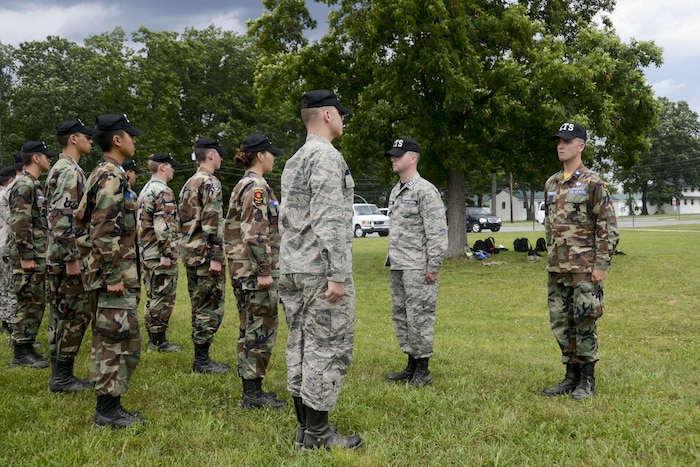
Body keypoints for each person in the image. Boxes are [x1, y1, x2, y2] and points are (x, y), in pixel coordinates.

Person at [279, 89, 362, 450]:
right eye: (340, 113)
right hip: (318, 269)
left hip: (293, 266)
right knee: (326, 347)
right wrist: (337, 273)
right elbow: (329, 218)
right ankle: (318, 434)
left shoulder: (295, 159)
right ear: (327, 115)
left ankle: (303, 427)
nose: (343, 119)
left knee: (299, 342)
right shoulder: (326, 157)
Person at [75, 113, 144, 427]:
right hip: (111, 276)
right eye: (130, 135)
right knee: (114, 342)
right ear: (117, 139)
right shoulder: (111, 176)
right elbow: (102, 231)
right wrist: (113, 276)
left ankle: (111, 405)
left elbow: (82, 225)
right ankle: (107, 410)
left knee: (118, 339)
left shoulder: (106, 173)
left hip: (109, 272)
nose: (134, 140)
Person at [542, 122, 619, 400]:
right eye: (558, 141)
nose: (560, 145)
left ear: (581, 145)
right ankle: (570, 375)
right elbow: (550, 225)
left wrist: (601, 264)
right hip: (557, 266)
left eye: (567, 140)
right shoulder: (551, 183)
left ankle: (588, 379)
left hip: (584, 266)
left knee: (584, 319)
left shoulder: (593, 183)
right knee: (561, 322)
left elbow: (607, 225)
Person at [224, 134, 285, 409]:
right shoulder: (256, 187)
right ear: (260, 155)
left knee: (251, 327)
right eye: (270, 153)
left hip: (244, 270)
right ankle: (252, 395)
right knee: (259, 330)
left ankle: (253, 390)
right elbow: (254, 233)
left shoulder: (246, 184)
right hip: (254, 273)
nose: (273, 157)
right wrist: (264, 270)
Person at [383, 137, 447, 389]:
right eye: (392, 155)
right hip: (399, 264)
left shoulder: (425, 191)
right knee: (402, 316)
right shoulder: (396, 190)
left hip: (418, 267)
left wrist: (433, 266)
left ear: (413, 158)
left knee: (420, 317)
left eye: (398, 155)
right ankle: (411, 362)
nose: (393, 158)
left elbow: (437, 232)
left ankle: (423, 370)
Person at [45, 119, 94, 392]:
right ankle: (62, 376)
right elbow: (62, 217)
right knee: (75, 315)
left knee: (61, 314)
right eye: (85, 135)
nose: (90, 139)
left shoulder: (64, 169)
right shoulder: (69, 172)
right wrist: (72, 257)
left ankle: (59, 374)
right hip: (67, 258)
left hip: (58, 255)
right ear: (73, 139)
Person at [179, 137, 229, 373]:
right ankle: (201, 360)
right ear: (211, 155)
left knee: (198, 305)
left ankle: (201, 358)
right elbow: (212, 223)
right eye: (219, 154)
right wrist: (217, 257)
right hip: (206, 256)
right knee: (210, 307)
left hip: (191, 253)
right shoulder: (211, 183)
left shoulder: (189, 183)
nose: (221, 159)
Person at [8, 141, 55, 369]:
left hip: (37, 254)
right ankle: (19, 352)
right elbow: (20, 222)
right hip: (28, 256)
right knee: (28, 301)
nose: (50, 159)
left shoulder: (33, 184)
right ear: (35, 158)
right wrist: (26, 254)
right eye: (46, 156)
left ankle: (27, 347)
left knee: (35, 302)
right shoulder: (24, 185)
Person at [137, 152, 182, 352]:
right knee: (162, 297)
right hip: (158, 253)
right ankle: (157, 341)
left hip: (146, 251)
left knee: (153, 295)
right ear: (163, 167)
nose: (173, 170)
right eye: (171, 166)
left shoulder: (146, 189)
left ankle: (154, 337)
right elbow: (163, 226)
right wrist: (167, 253)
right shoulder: (163, 192)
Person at [0, 164, 18, 335]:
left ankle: (6, 320)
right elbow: (12, 221)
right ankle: (11, 323)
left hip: (3, 245)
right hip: (7, 245)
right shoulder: (5, 196)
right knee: (11, 287)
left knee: (5, 286)